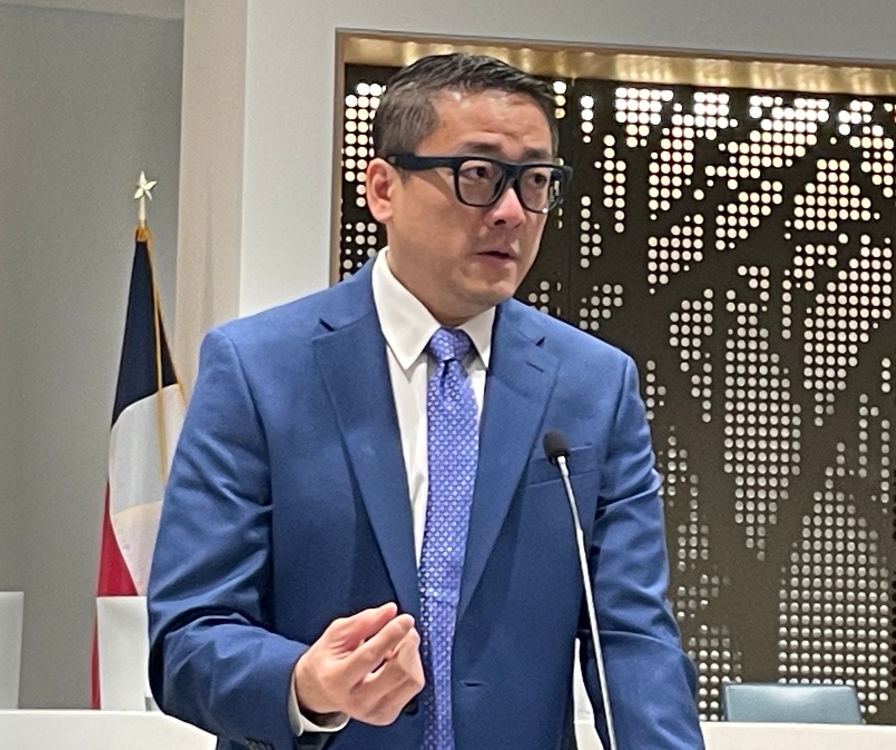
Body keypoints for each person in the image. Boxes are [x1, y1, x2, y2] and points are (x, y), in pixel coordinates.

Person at [147, 52, 704, 750]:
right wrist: (304, 684)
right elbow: (188, 637)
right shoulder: (259, 370)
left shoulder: (593, 384)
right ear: (383, 188)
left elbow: (631, 636)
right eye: (478, 175)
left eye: (535, 182)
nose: (511, 212)